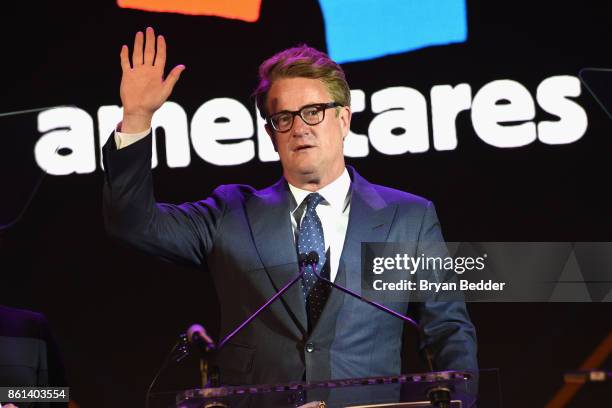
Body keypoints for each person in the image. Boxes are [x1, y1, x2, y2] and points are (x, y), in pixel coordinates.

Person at [103, 27, 478, 388]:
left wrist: (460, 399)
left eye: (313, 111)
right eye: (284, 117)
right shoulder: (229, 213)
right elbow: (134, 224)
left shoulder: (408, 218)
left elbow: (447, 329)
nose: (300, 128)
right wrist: (137, 118)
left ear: (343, 119)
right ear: (270, 133)